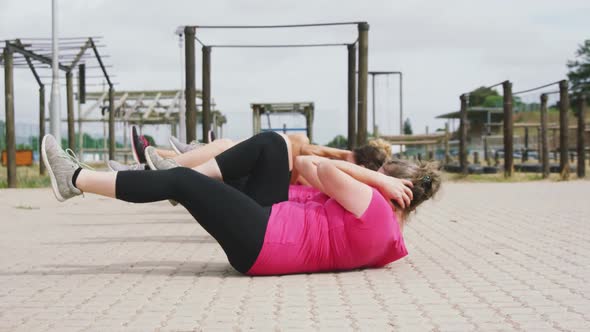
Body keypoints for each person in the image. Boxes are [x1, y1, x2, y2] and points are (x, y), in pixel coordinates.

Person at [42, 131, 440, 276]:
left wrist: (376, 178)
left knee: (182, 180)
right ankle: (166, 173)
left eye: (385, 174)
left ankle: (75, 180)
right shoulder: (388, 236)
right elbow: (301, 163)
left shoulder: (373, 207)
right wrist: (379, 179)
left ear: (393, 188)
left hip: (266, 243)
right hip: (272, 223)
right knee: (272, 144)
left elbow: (318, 166)